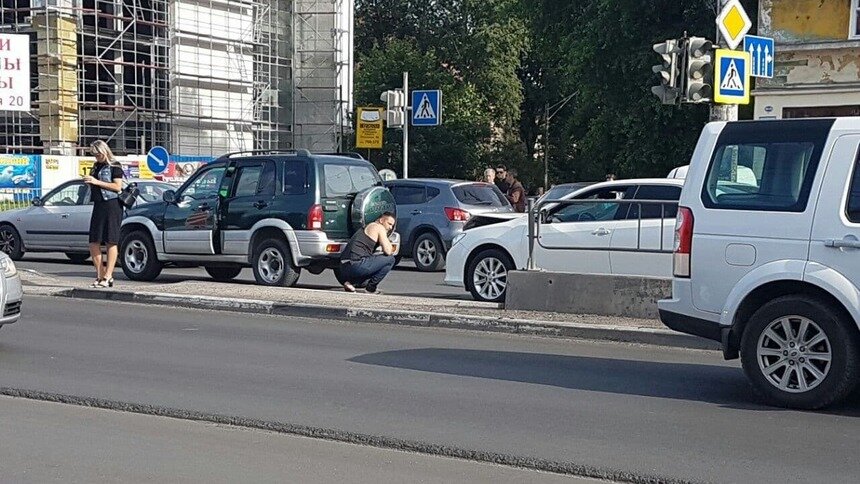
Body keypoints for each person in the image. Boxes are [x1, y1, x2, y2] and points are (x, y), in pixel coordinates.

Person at [84, 140, 124, 288]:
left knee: (110, 240)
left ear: (104, 151)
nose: (96, 157)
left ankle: (108, 275)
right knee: (93, 241)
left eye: (98, 154)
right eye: (94, 155)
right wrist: (90, 182)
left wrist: (97, 182)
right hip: (99, 204)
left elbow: (117, 187)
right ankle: (100, 274)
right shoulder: (96, 166)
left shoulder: (115, 166)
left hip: (112, 205)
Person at [339, 212, 397, 293]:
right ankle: (371, 288)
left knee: (371, 268)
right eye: (389, 224)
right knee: (390, 259)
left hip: (344, 268)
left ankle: (349, 283)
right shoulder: (378, 227)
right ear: (381, 220)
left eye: (392, 225)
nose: (390, 227)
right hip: (356, 265)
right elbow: (388, 251)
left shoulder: (367, 227)